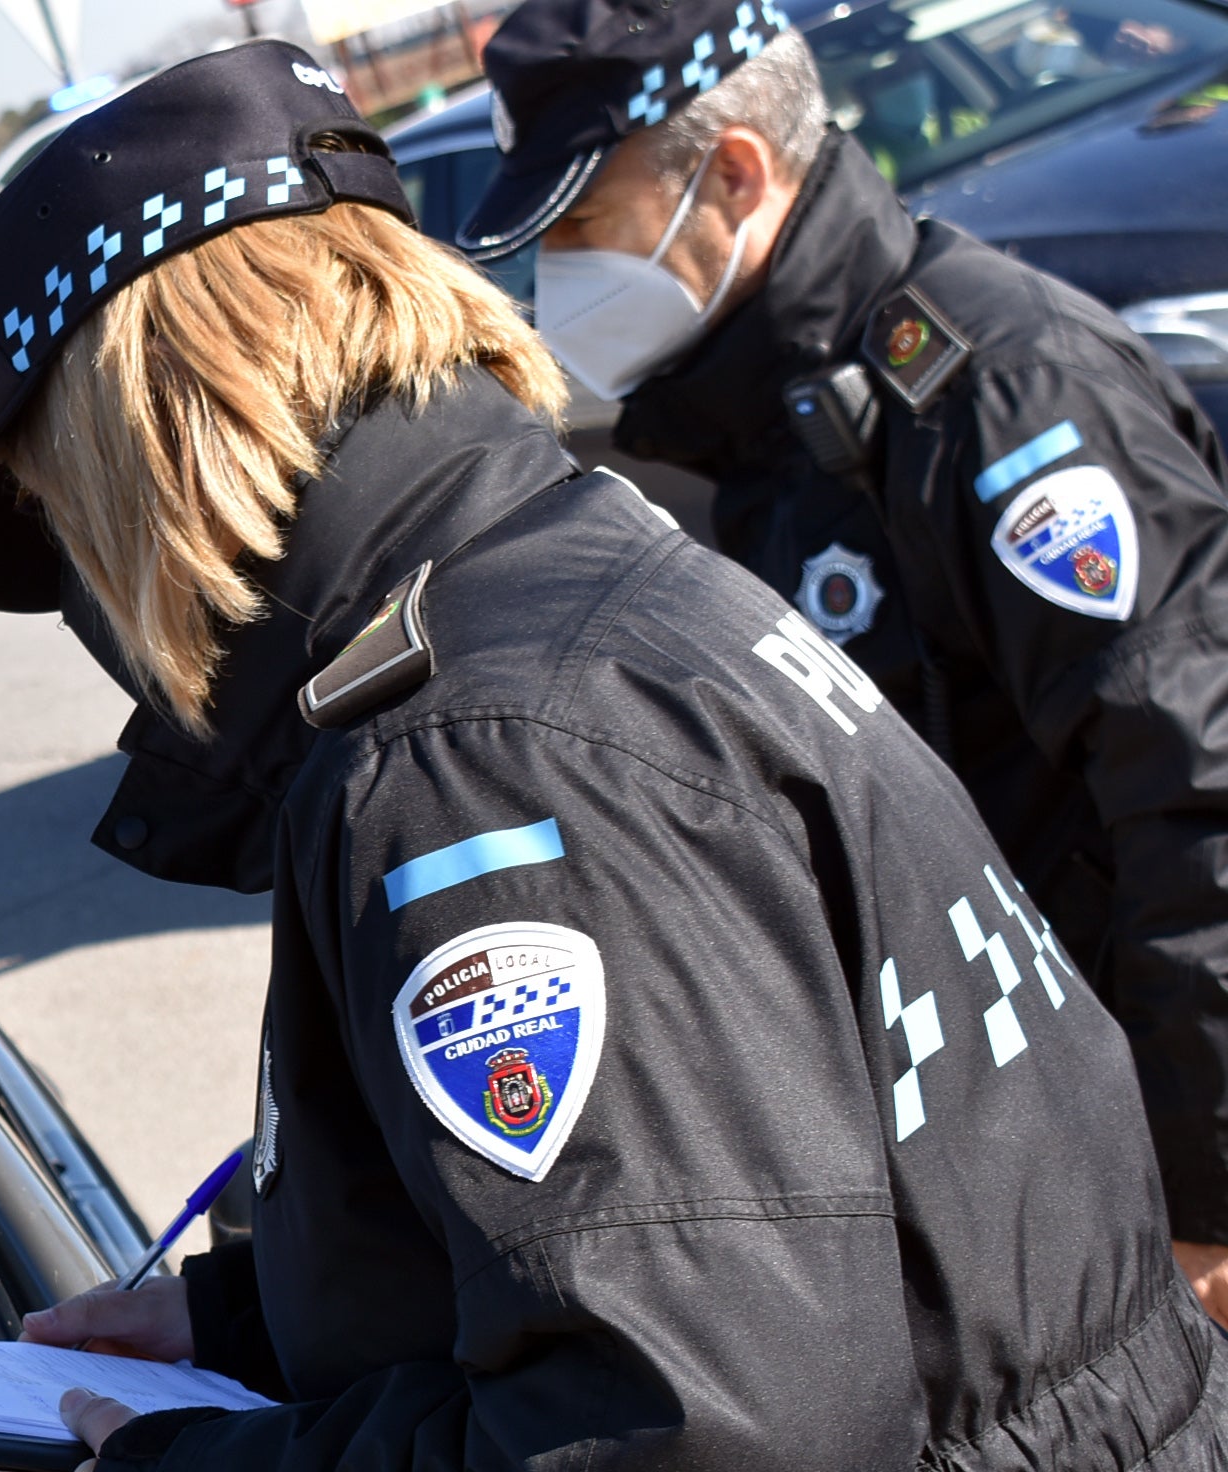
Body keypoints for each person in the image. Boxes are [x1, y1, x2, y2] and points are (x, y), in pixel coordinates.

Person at [0, 43, 1228, 1472]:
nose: (89, 600)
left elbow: (688, 1464)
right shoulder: (570, 592)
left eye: (50, 525)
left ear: (132, 447)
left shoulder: (473, 757)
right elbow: (737, 1209)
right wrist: (242, 1326)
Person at [459, 0, 1228, 1319]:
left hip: (1158, 1182)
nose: (558, 285)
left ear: (737, 171)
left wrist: (1211, 1197)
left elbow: (1198, 796)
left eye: (584, 229)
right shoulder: (778, 426)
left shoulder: (1000, 394)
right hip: (1037, 1164)